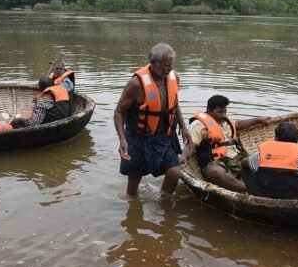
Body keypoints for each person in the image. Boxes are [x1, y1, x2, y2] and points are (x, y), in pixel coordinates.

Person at [114, 43, 194, 197]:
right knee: (134, 180)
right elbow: (119, 111)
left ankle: (163, 203)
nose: (169, 69)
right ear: (153, 63)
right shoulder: (136, 84)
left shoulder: (174, 77)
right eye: (165, 65)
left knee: (174, 172)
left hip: (165, 135)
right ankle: (133, 209)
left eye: (171, 65)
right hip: (139, 138)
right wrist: (122, 139)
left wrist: (184, 129)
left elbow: (174, 104)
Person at [188, 95, 270, 192]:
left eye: (224, 111)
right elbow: (190, 145)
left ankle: (248, 187)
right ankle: (249, 190)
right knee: (216, 172)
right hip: (216, 162)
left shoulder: (226, 121)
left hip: (237, 159)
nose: (223, 115)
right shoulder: (199, 126)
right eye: (219, 112)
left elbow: (239, 124)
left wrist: (258, 120)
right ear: (209, 111)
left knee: (259, 162)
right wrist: (184, 156)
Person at [241, 122, 298, 200]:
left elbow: (244, 163)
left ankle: (252, 197)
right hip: (293, 197)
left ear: (276, 139)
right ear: (296, 142)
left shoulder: (260, 156)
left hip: (263, 193)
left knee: (245, 168)